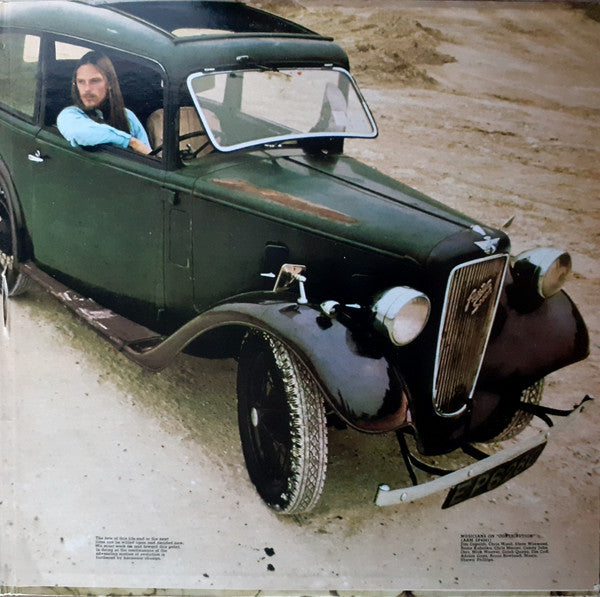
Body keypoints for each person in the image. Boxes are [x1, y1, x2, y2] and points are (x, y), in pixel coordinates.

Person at [57, 51, 152, 155]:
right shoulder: (69, 115)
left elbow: (147, 153)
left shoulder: (127, 116)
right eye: (81, 81)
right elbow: (78, 133)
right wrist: (130, 141)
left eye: (94, 81)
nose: (87, 89)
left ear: (109, 83)